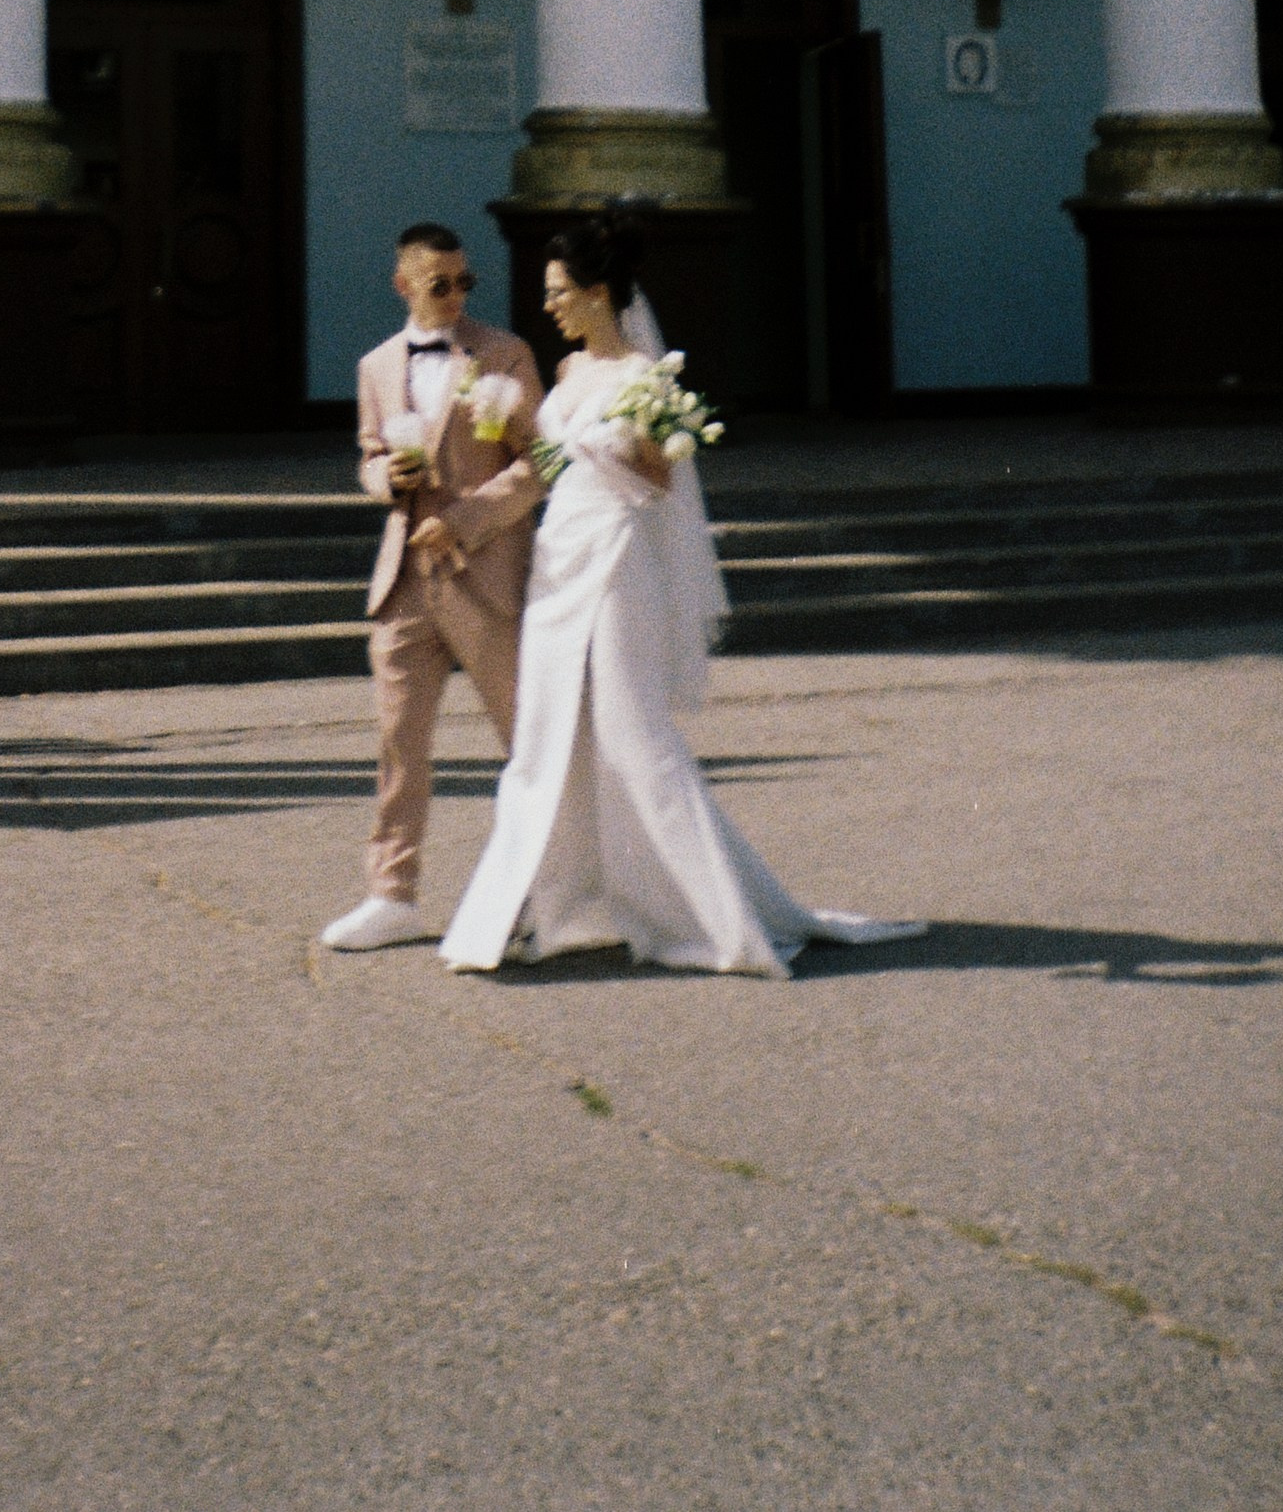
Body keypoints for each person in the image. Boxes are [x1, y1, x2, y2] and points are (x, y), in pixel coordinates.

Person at [440, 219, 922, 978]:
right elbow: (550, 465)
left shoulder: (646, 375)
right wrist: (507, 428)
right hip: (559, 561)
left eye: (561, 293)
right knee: (546, 738)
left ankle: (724, 922)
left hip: (620, 558)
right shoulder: (566, 374)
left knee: (635, 737)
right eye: (548, 295)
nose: (552, 307)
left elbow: (658, 478)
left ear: (599, 293)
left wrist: (600, 442)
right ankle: (529, 908)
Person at [321, 222, 544, 954]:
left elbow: (542, 463)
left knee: (524, 738)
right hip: (404, 577)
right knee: (399, 741)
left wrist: (470, 518)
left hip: (484, 572)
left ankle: (541, 890)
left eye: (463, 281)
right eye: (438, 282)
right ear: (404, 284)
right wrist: (388, 476)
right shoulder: (376, 364)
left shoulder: (505, 353)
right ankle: (392, 892)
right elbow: (368, 454)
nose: (453, 295)